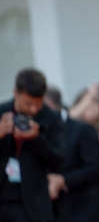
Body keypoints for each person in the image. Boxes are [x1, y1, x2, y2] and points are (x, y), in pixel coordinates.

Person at [0, 68, 65, 222]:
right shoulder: (2, 112)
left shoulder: (52, 118)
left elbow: (58, 160)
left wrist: (37, 138)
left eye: (38, 103)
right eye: (28, 103)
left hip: (34, 204)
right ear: (16, 93)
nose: (33, 109)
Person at [44, 87, 99, 222]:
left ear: (50, 105)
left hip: (85, 212)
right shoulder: (41, 132)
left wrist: (64, 180)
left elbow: (97, 169)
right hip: (56, 213)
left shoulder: (82, 129)